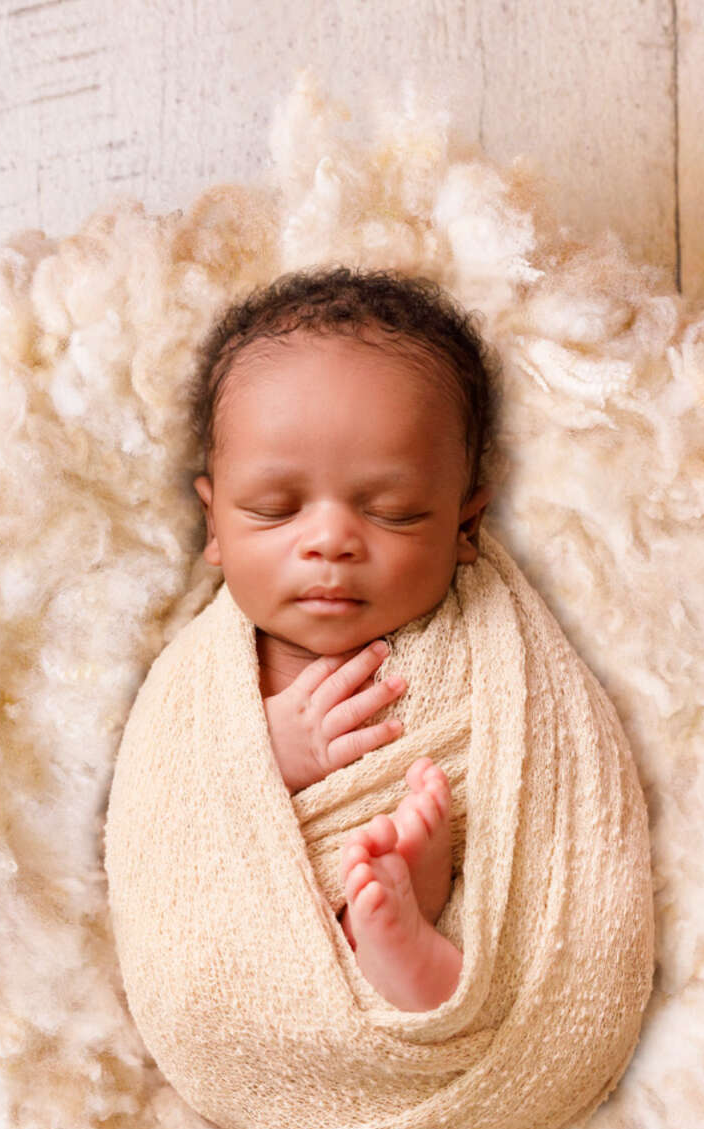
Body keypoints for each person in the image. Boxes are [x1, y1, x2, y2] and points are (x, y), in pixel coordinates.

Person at [185, 267, 497, 1011]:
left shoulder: (483, 647)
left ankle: (413, 945)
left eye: (392, 511)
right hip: (255, 965)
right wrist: (263, 750)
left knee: (422, 830)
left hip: (442, 913)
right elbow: (168, 808)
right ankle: (385, 933)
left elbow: (535, 779)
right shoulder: (202, 677)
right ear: (213, 526)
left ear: (466, 527)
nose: (329, 540)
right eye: (274, 508)